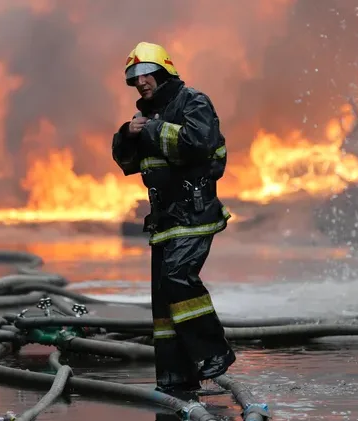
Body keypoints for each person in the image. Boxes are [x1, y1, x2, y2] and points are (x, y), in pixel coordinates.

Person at [111, 41, 236, 394]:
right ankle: (175, 377)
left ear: (163, 70)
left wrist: (150, 129)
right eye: (133, 78)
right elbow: (127, 163)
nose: (140, 83)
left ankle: (214, 353)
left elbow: (198, 142)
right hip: (165, 219)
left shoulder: (192, 101)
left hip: (194, 212)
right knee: (164, 302)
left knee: (179, 279)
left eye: (144, 74)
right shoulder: (146, 117)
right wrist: (127, 133)